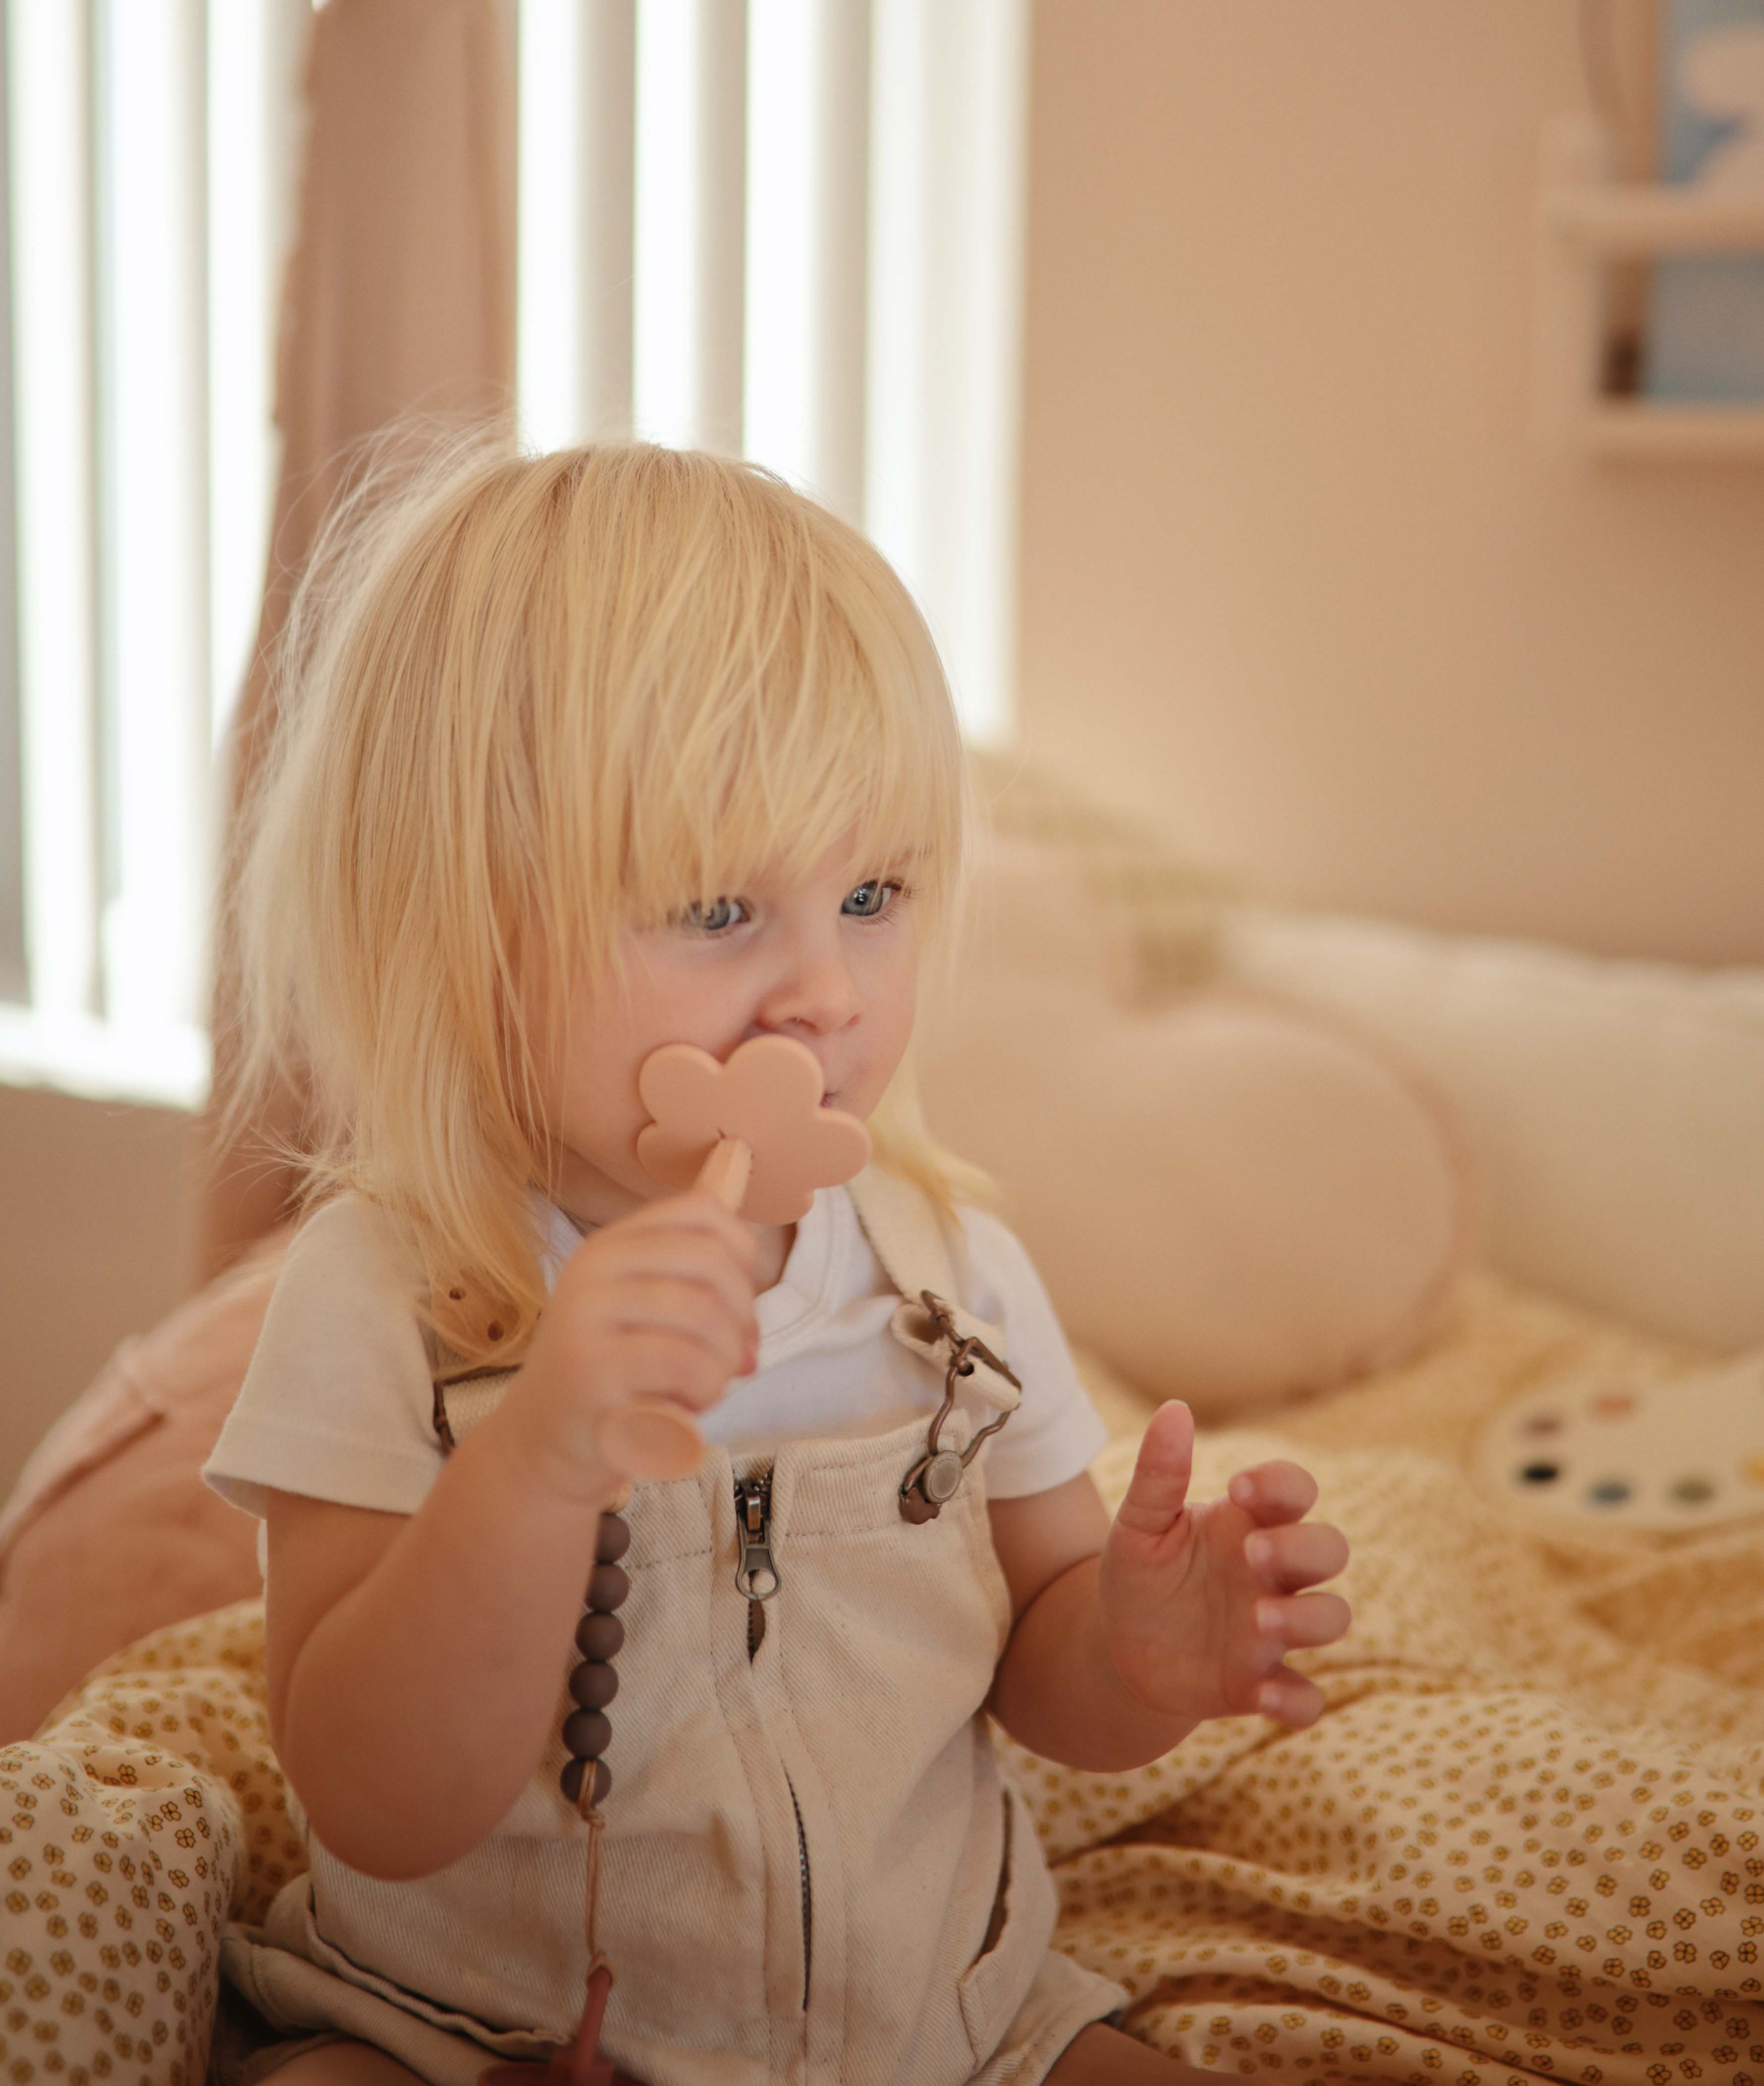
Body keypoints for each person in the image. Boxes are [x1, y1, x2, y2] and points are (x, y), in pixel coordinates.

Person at [203, 436, 1352, 2086]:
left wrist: (1136, 1651)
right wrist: (537, 1456)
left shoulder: (942, 1276)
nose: (828, 990)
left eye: (872, 893)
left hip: (937, 2030)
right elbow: (377, 1806)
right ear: (464, 927)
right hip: (478, 2035)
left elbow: (1039, 1663)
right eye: (720, 910)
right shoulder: (389, 1297)